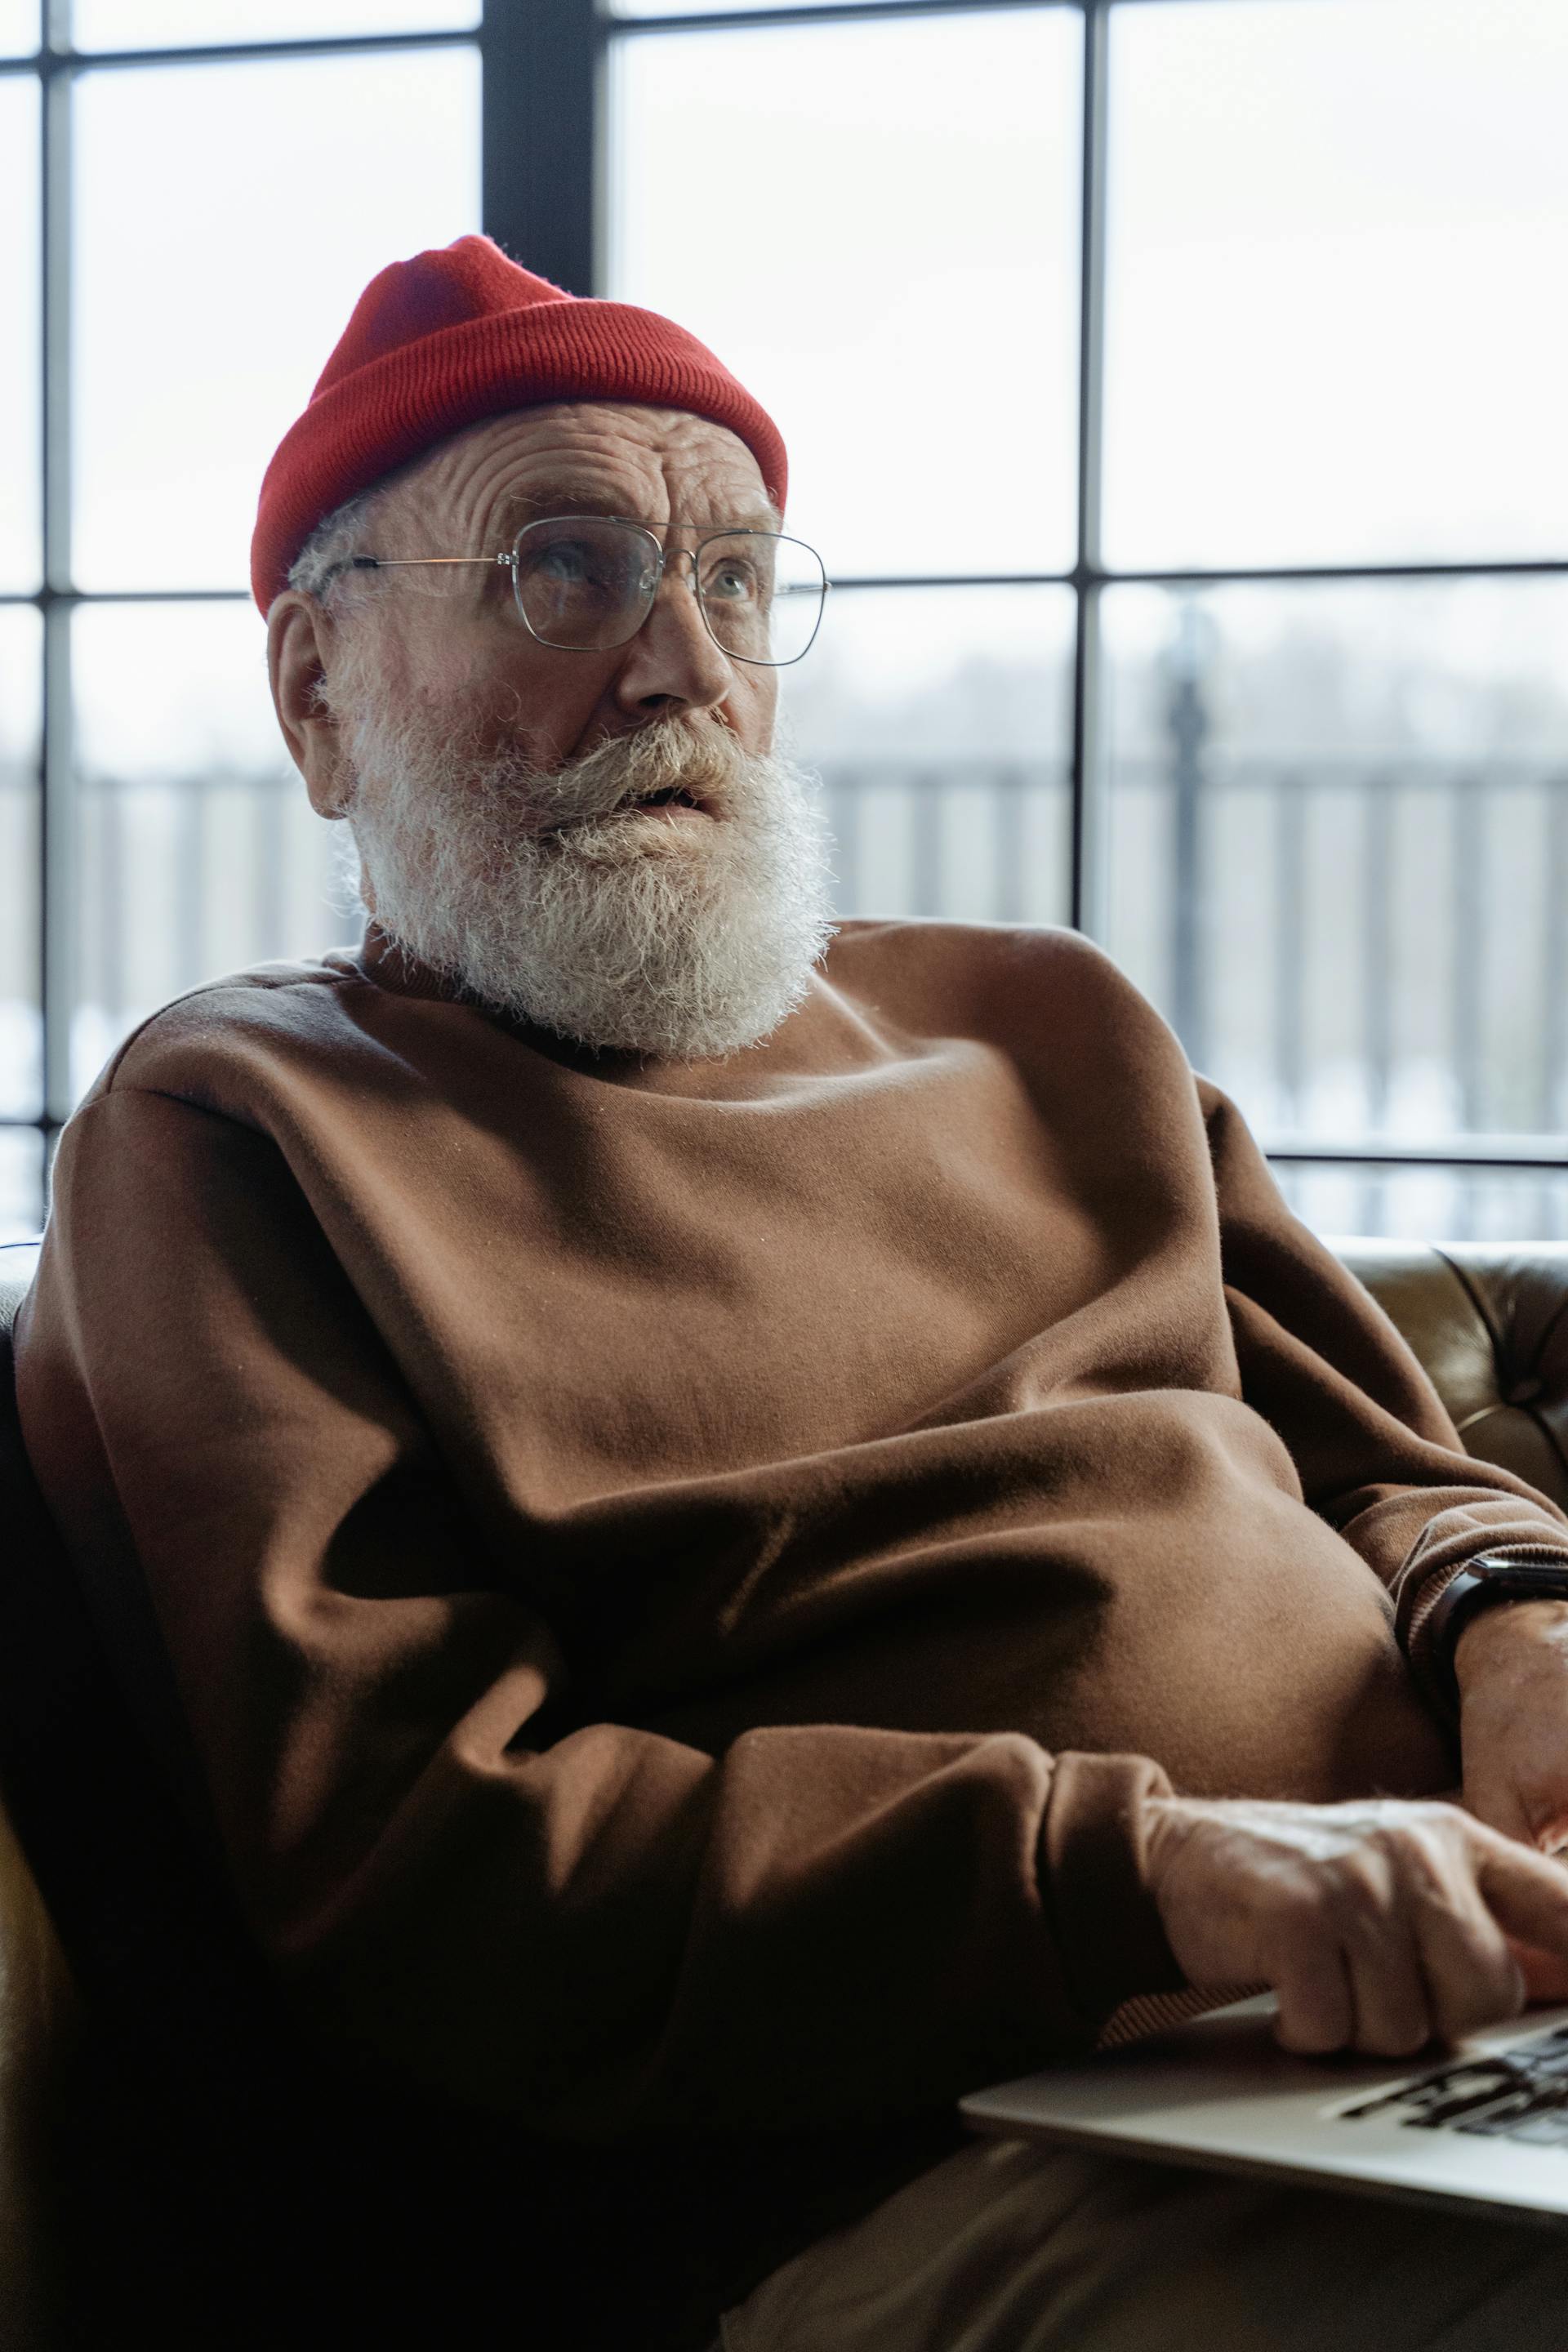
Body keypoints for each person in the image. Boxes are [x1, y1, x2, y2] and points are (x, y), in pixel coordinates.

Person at [16, 235, 1568, 2351]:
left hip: (1464, 2020)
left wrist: (1515, 1626)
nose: (684, 666)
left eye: (736, 580)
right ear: (316, 692)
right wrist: (1143, 1875)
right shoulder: (239, 1134)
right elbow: (429, 1879)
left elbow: (1404, 1473)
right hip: (938, 2165)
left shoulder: (1051, 1025)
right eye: (567, 571)